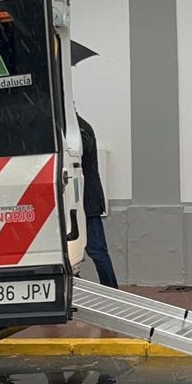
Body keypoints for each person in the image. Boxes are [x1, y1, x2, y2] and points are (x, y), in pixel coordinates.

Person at [77, 113, 118, 288]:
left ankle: (111, 290)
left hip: (86, 201)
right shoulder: (79, 127)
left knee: (97, 250)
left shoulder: (79, 130)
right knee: (92, 250)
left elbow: (81, 151)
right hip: (82, 200)